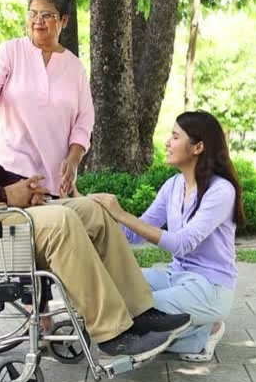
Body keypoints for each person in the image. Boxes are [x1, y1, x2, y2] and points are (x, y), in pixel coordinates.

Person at [0, 42, 191, 361]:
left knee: (91, 209)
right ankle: (111, 332)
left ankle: (139, 312)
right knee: (61, 222)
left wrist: (27, 189)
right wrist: (5, 195)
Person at [90, 111, 243, 362]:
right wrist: (94, 217)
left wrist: (121, 213)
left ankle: (206, 329)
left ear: (198, 147)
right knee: (113, 289)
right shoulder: (172, 186)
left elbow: (182, 244)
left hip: (210, 287)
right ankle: (196, 330)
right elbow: (134, 233)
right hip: (175, 277)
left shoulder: (220, 191)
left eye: (175, 136)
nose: (167, 143)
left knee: (136, 311)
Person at [0, 0, 93, 198]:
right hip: (12, 174)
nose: (38, 21)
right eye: (33, 13)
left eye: (47, 15)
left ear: (64, 20)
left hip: (55, 180)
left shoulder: (75, 67)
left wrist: (74, 160)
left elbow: (84, 121)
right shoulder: (11, 51)